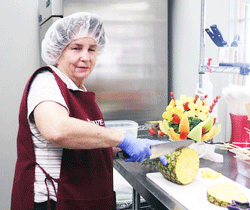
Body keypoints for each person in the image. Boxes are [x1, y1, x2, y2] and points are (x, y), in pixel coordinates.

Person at [11, 12, 167, 210]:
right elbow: (57, 129)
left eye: (92, 49)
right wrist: (123, 139)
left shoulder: (79, 90)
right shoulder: (46, 82)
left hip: (82, 200)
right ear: (57, 52)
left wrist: (123, 147)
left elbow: (82, 144)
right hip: (53, 202)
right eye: (76, 48)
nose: (85, 57)